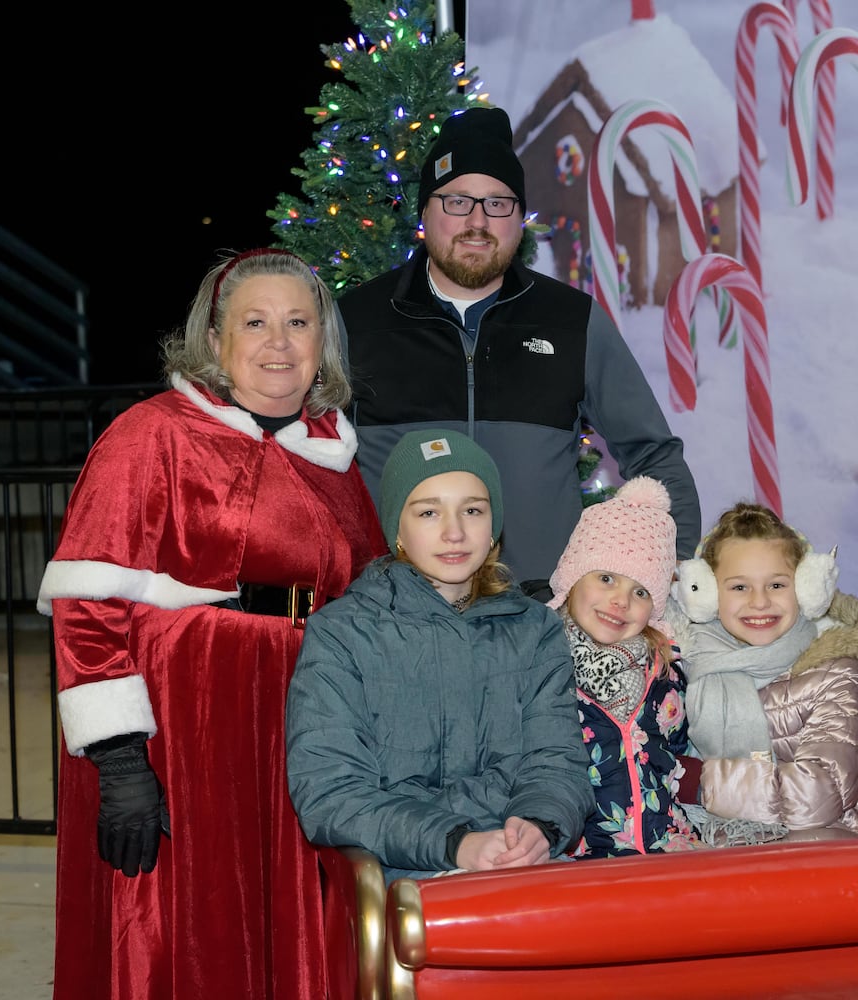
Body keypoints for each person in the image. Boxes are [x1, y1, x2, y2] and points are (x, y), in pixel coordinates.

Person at [36, 247, 389, 1000]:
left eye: (299, 323)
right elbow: (86, 602)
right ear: (214, 339)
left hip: (304, 713)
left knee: (293, 910)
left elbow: (371, 590)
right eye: (255, 323)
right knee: (187, 921)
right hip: (186, 717)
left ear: (323, 340)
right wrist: (121, 761)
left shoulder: (332, 453)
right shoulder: (151, 434)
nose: (279, 343)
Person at [337, 104, 701, 596]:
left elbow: (653, 453)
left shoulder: (571, 321)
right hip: (393, 613)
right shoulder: (355, 321)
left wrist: (674, 575)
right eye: (457, 201)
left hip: (540, 614)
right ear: (425, 211)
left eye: (498, 203)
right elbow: (307, 460)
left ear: (520, 218)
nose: (478, 221)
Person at [284, 428, 593, 882]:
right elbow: (330, 790)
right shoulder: (342, 633)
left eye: (473, 510)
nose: (455, 532)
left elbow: (556, 761)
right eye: (429, 512)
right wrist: (456, 843)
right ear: (398, 529)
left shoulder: (535, 630)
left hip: (518, 863)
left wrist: (539, 826)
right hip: (403, 866)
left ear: (493, 525)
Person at [666, 502, 858, 846]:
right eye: (739, 587)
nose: (759, 602)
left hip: (818, 850)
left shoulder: (834, 673)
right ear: (707, 593)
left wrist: (701, 782)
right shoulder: (689, 661)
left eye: (776, 585)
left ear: (806, 588)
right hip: (711, 846)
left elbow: (821, 794)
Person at [545, 476, 702, 857]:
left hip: (669, 849)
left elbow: (678, 753)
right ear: (571, 579)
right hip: (579, 859)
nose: (620, 601)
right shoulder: (542, 669)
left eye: (641, 591)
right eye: (606, 578)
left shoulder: (664, 673)